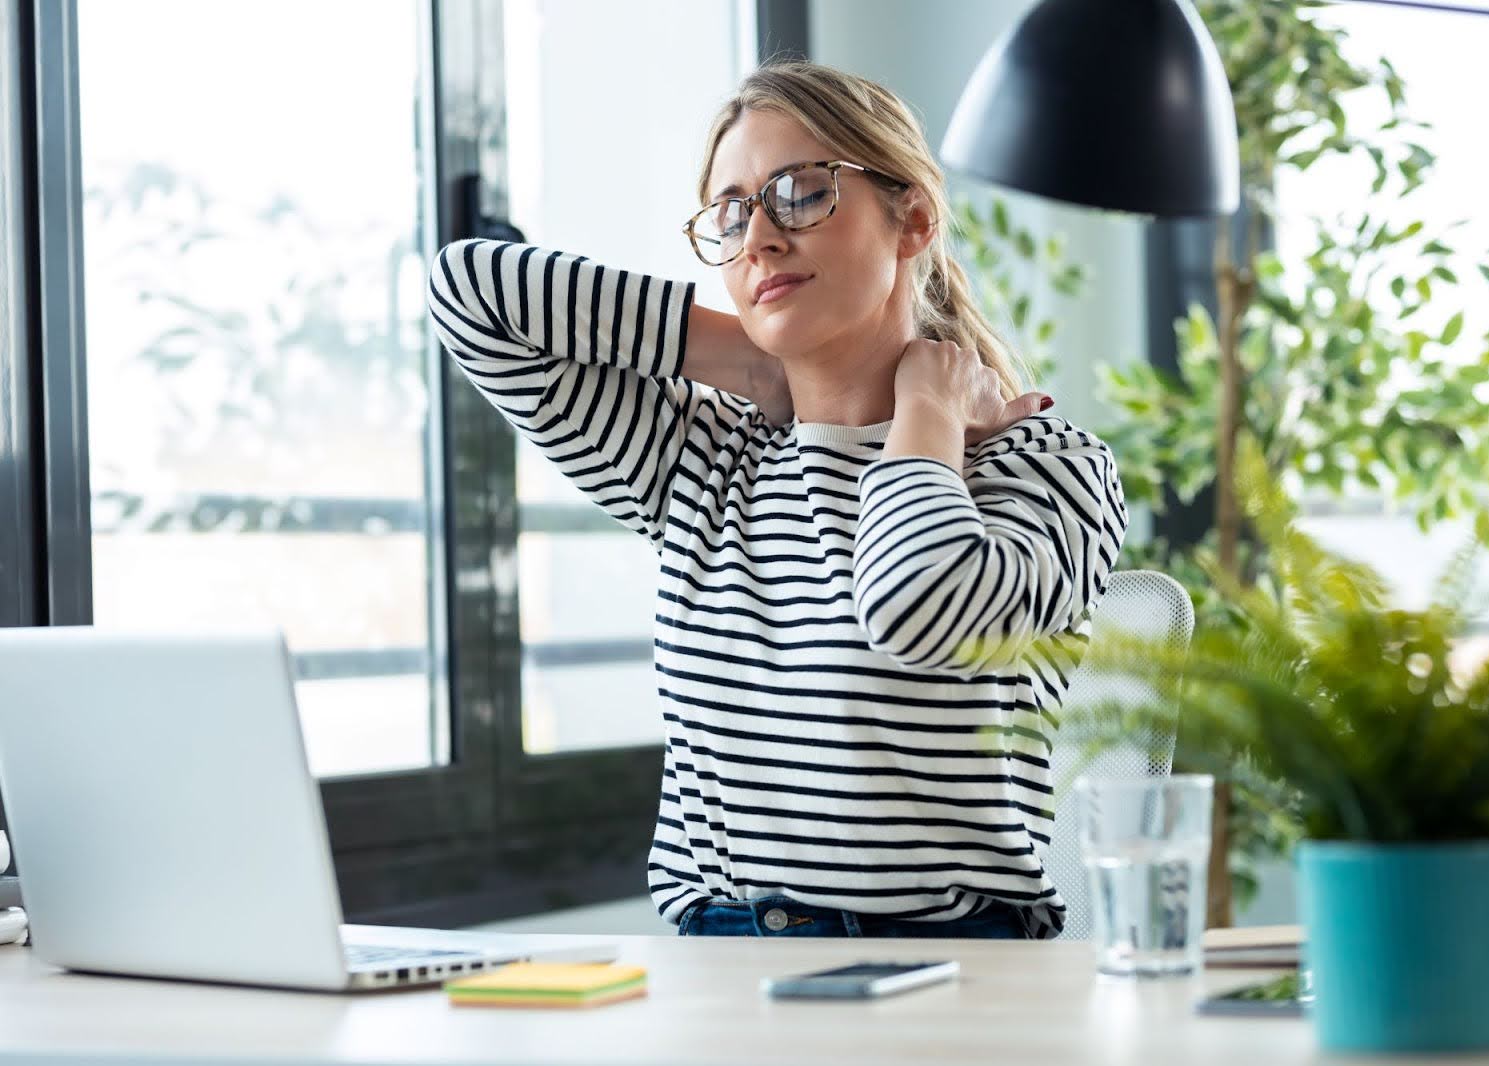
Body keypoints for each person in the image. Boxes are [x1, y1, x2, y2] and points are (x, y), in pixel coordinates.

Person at [426, 60, 1127, 940]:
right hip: (721, 956)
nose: (759, 236)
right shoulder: (703, 459)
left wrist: (929, 406)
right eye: (731, 213)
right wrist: (751, 361)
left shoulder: (1045, 464)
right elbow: (469, 293)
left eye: (800, 192)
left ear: (913, 219)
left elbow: (918, 607)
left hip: (951, 961)